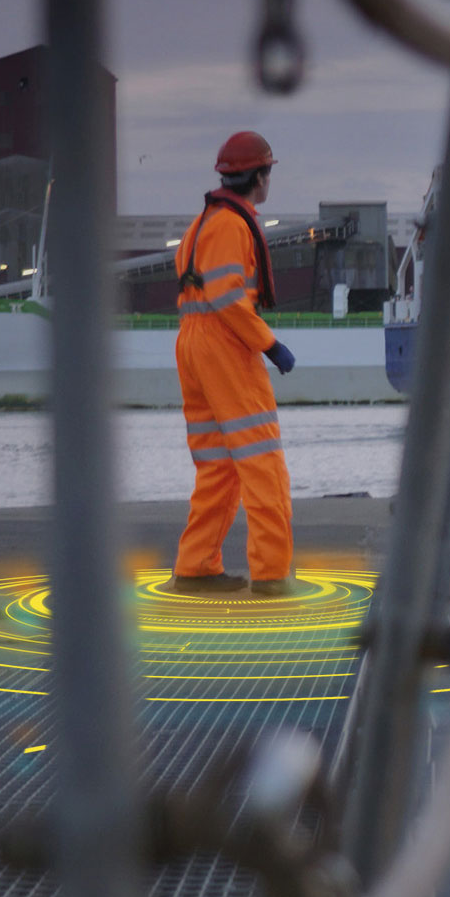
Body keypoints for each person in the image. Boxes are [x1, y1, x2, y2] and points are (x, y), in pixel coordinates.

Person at [173, 130, 297, 596]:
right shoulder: (231, 225)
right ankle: (271, 574)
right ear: (259, 176)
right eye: (268, 172)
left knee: (218, 464)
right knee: (262, 461)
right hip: (224, 346)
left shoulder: (201, 223)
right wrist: (269, 344)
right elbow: (227, 296)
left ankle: (195, 566)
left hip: (193, 344)